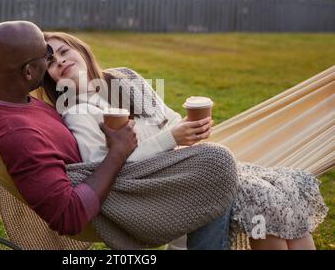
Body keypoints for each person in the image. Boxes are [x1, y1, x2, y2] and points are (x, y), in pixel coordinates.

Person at [41, 31, 328, 250]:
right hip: (160, 189)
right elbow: (100, 169)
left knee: (281, 190)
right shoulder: (78, 112)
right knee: (262, 198)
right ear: (51, 80)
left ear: (81, 49)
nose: (61, 60)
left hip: (188, 167)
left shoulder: (124, 79)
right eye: (51, 62)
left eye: (65, 51)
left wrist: (190, 129)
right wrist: (169, 139)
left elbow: (169, 119)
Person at [0, 21, 236, 249]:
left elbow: (164, 117)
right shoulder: (18, 132)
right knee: (217, 163)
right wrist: (120, 150)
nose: (56, 59)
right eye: (47, 55)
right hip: (120, 193)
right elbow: (68, 216)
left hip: (134, 170)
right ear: (29, 72)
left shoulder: (12, 99)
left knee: (242, 184)